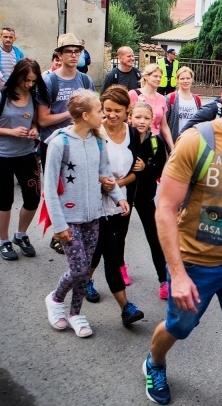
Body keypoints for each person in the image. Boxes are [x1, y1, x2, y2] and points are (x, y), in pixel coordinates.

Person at [142, 67, 222, 406]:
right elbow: (165, 209)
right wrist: (178, 275)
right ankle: (154, 361)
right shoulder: (196, 141)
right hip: (194, 263)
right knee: (178, 327)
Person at [43, 90, 129, 338]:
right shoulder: (60, 143)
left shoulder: (98, 141)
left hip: (94, 217)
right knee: (80, 269)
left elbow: (106, 175)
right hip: (69, 218)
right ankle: (56, 298)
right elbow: (49, 187)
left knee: (85, 270)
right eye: (100, 111)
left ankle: (75, 313)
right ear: (85, 115)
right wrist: (59, 225)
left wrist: (119, 198)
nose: (104, 115)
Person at [85, 86, 146, 326]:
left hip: (122, 201)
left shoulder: (133, 134)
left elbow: (136, 171)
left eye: (117, 111)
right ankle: (126, 307)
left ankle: (85, 280)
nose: (111, 115)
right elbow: (86, 168)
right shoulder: (94, 133)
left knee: (109, 246)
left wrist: (118, 185)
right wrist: (103, 184)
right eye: (107, 110)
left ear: (127, 111)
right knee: (109, 250)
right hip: (97, 201)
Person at [0, 59, 46, 261]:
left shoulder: (34, 96)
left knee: (33, 198)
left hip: (27, 154)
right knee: (5, 200)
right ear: (17, 76)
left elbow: (35, 122)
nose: (29, 84)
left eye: (33, 80)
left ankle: (21, 235)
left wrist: (35, 129)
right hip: (0, 156)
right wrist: (10, 131)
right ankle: (3, 241)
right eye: (26, 80)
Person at [37, 34, 94, 255]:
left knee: (75, 188)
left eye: (77, 51)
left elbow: (92, 112)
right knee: (56, 189)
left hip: (79, 143)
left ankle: (74, 230)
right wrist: (70, 114)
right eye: (68, 51)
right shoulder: (49, 81)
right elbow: (43, 120)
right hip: (54, 144)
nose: (73, 55)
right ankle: (57, 234)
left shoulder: (85, 81)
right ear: (59, 55)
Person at [128, 101, 169, 299]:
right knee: (118, 237)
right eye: (138, 117)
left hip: (145, 197)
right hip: (122, 197)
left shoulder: (156, 142)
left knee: (154, 237)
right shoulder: (122, 138)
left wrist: (146, 168)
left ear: (152, 120)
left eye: (146, 118)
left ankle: (164, 280)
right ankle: (119, 268)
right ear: (130, 118)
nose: (142, 121)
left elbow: (160, 171)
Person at [128, 63, 174, 150]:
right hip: (136, 139)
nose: (158, 79)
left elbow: (164, 126)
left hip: (155, 141)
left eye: (160, 77)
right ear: (146, 77)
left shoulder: (162, 98)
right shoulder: (133, 94)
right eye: (155, 76)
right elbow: (126, 118)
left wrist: (172, 147)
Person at [165, 66, 202, 142]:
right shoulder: (171, 98)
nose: (185, 81)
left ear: (192, 79)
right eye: (182, 79)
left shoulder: (197, 99)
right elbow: (164, 124)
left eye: (188, 78)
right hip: (175, 141)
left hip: (192, 141)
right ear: (177, 80)